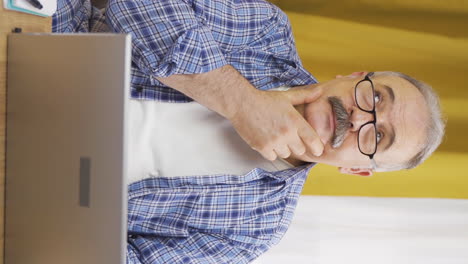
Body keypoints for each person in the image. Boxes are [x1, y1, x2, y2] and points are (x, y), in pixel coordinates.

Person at [52, 0, 445, 263]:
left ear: (358, 170)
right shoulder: (267, 32)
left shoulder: (255, 229)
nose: (360, 118)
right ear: (354, 75)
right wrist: (242, 102)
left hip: (35, 192)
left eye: (377, 138)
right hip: (43, 44)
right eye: (375, 99)